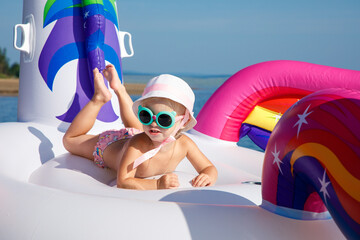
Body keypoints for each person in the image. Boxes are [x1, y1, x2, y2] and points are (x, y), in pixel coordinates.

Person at [63, 64, 217, 190]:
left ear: (182, 121)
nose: (154, 123)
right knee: (70, 141)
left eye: (164, 119)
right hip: (110, 145)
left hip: (136, 133)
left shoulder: (185, 144)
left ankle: (120, 89)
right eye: (145, 115)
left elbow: (209, 167)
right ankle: (99, 98)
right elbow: (123, 181)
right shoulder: (137, 146)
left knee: (138, 128)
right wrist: (157, 184)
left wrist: (208, 175)